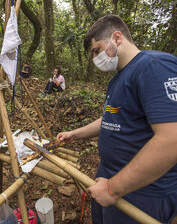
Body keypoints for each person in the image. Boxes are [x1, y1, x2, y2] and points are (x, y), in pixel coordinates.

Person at [57, 15, 177, 224]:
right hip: (109, 179)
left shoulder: (154, 66)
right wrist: (74, 134)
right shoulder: (117, 80)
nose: (95, 58)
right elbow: (110, 118)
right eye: (92, 54)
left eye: (97, 49)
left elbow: (172, 139)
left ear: (117, 38)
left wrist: (114, 189)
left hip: (141, 192)